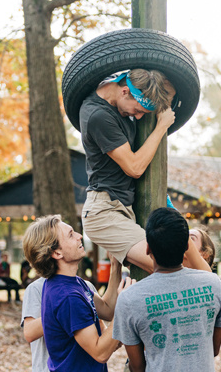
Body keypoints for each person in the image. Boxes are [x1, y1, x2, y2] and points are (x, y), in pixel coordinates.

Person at [80, 69, 210, 274]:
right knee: (173, 269)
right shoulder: (98, 115)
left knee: (179, 267)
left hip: (123, 208)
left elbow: (163, 87)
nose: (139, 117)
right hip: (104, 212)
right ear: (124, 92)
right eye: (138, 110)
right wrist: (161, 126)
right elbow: (135, 168)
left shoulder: (125, 98)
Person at [113, 207, 221, 372]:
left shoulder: (129, 298)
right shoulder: (213, 284)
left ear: (148, 249)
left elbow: (137, 367)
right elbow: (214, 349)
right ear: (186, 250)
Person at [23, 214, 133, 372]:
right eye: (71, 234)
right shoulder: (67, 296)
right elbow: (100, 353)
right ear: (57, 253)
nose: (79, 236)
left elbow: (107, 309)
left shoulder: (72, 283)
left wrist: (115, 266)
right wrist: (125, 305)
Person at [21, 276, 99, 372]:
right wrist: (62, 307)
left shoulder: (87, 286)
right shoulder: (36, 288)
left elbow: (101, 323)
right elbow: (29, 333)